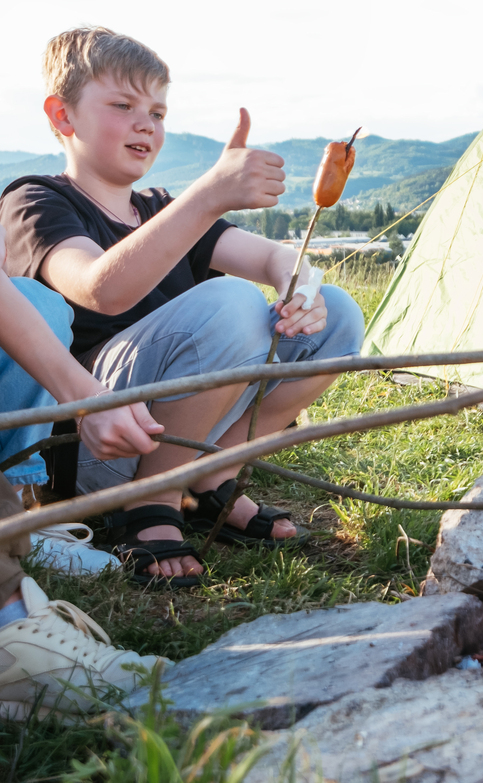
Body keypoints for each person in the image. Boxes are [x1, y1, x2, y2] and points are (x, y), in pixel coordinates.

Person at [0, 27, 365, 587]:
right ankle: (150, 503)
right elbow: (100, 287)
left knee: (338, 314)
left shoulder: (159, 208)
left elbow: (273, 260)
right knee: (232, 303)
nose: (147, 123)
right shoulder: (36, 201)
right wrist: (208, 195)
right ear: (63, 115)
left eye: (158, 112)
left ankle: (211, 474)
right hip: (97, 438)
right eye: (123, 105)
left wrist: (301, 288)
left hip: (172, 435)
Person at [0, 224, 167, 721]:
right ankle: (10, 635)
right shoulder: (42, 203)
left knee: (31, 301)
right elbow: (101, 287)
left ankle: (20, 515)